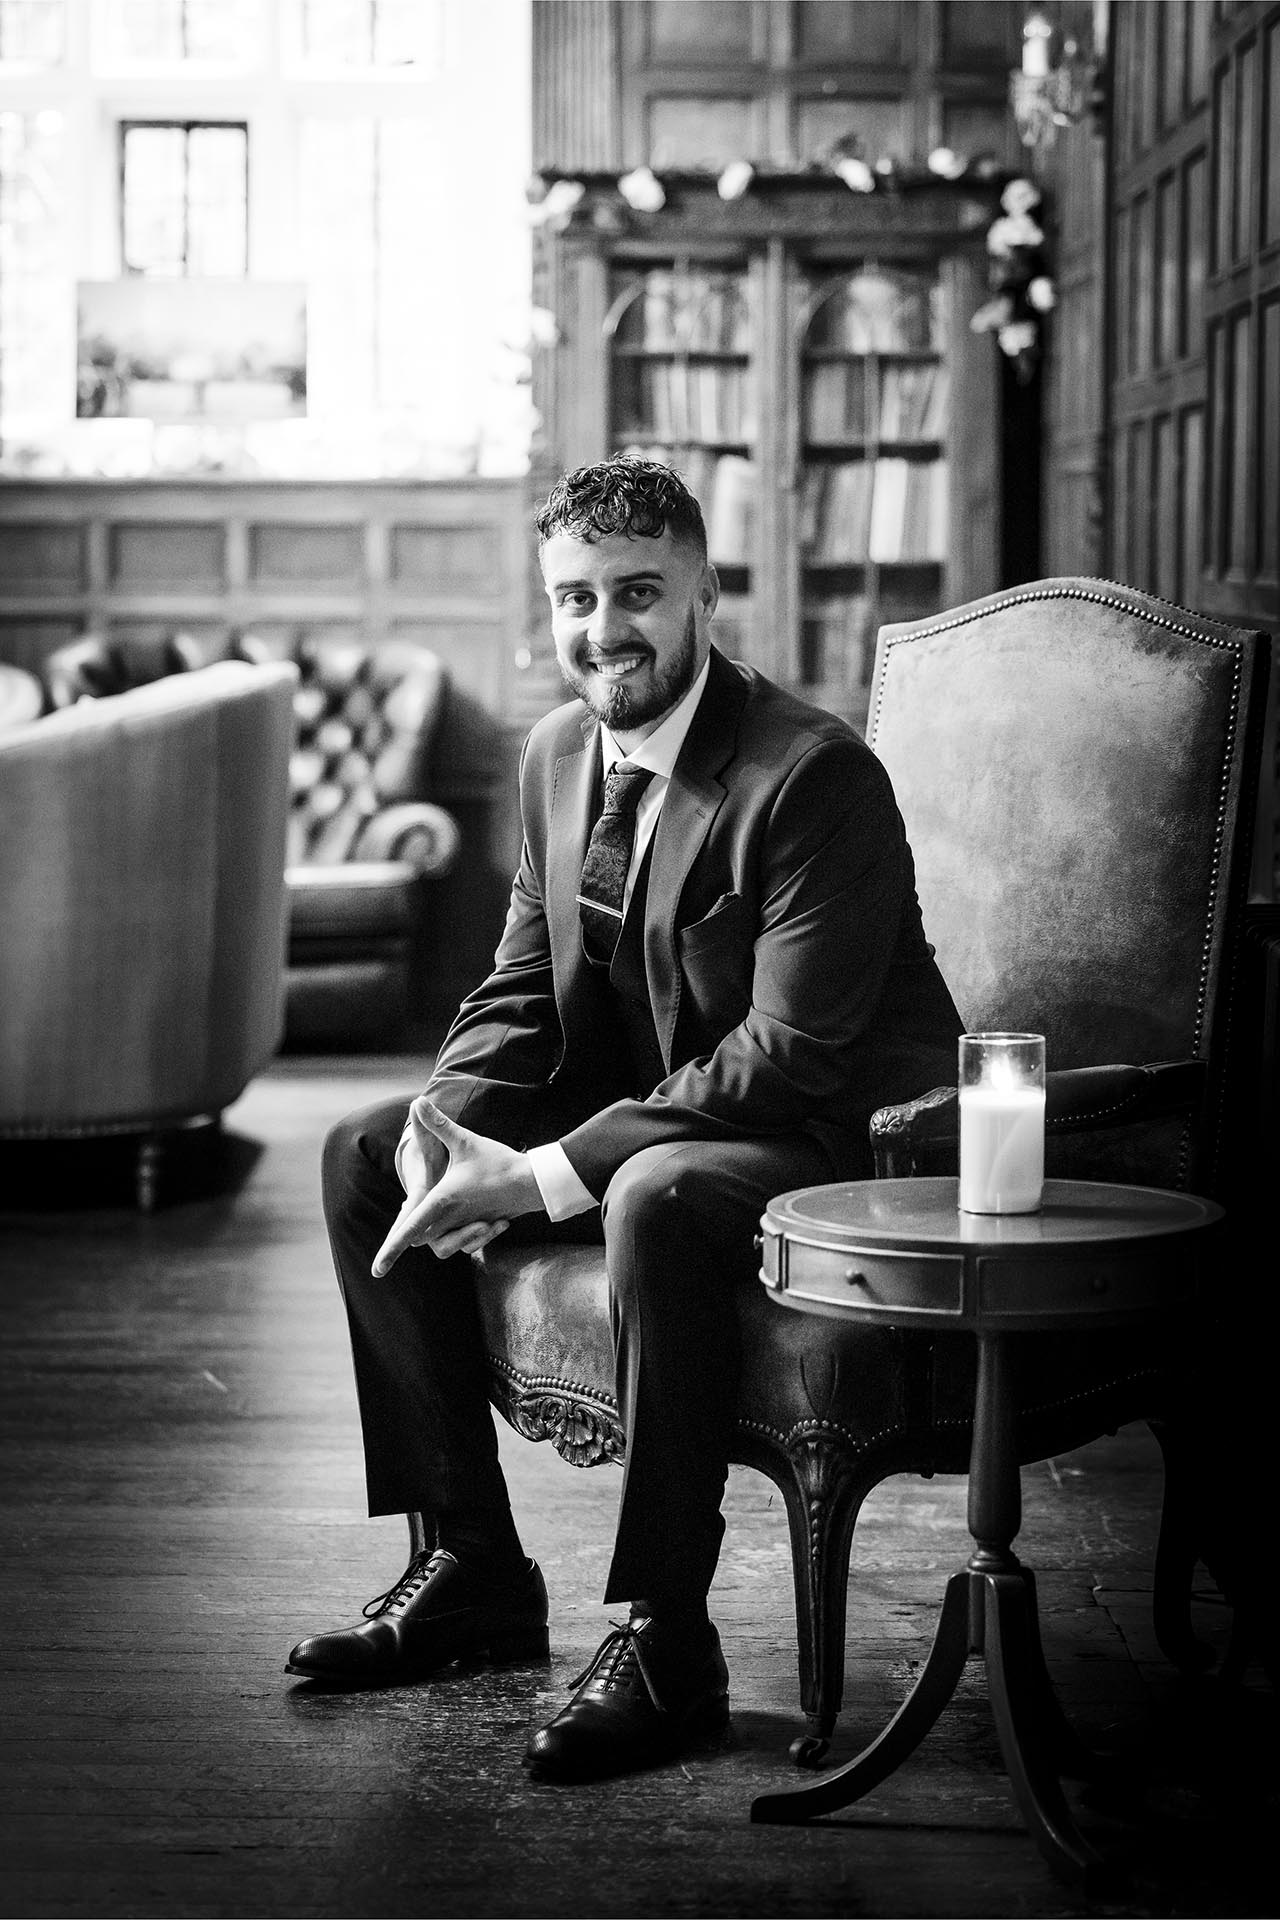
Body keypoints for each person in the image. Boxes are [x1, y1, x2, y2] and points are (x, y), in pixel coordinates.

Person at [287, 454, 963, 1783]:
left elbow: (790, 1052)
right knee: (368, 1153)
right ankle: (469, 1565)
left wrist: (542, 1174)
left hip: (835, 1133)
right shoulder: (553, 753)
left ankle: (669, 1639)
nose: (606, 631)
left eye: (639, 592)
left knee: (654, 1193)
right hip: (668, 1106)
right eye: (576, 600)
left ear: (709, 595)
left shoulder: (812, 776)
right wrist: (451, 1122)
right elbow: (518, 992)